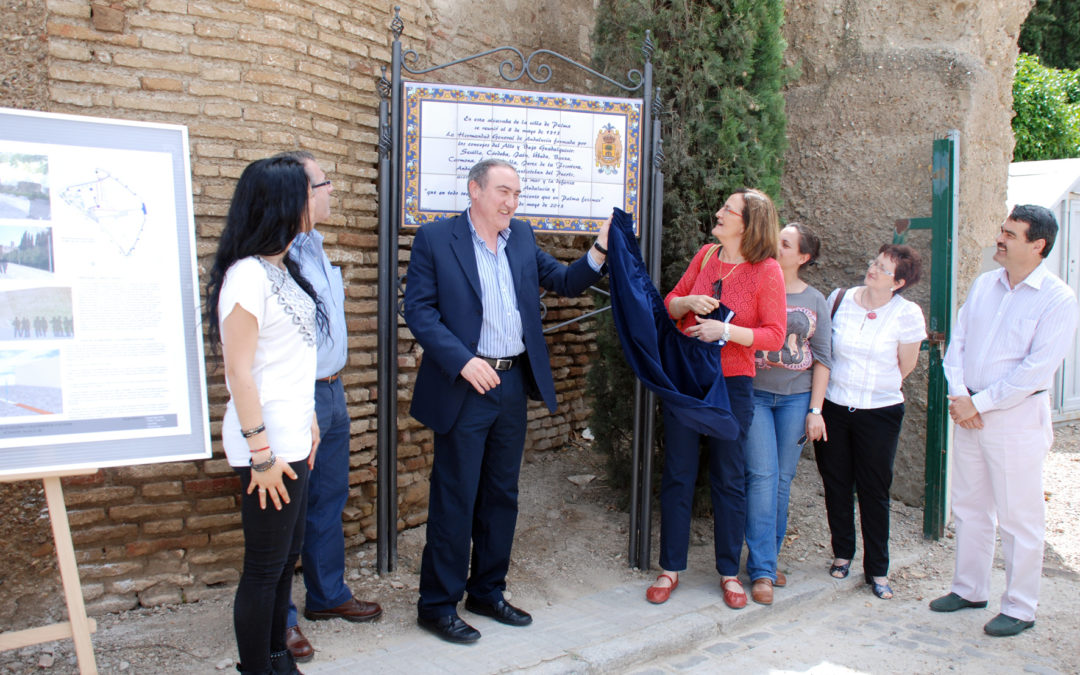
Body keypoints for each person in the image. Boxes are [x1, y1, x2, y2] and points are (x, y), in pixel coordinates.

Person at [403, 159, 609, 644]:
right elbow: (418, 309)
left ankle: (486, 591)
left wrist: (599, 251)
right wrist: (461, 360)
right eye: (502, 191)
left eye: (516, 193)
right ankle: (437, 605)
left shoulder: (520, 237)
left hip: (512, 385)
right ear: (474, 190)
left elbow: (562, 281)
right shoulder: (436, 240)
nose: (511, 202)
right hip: (465, 386)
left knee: (502, 495)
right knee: (455, 497)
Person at [931, 204, 1078, 637]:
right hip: (969, 409)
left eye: (1011, 234)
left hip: (1015, 418)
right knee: (970, 506)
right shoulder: (984, 285)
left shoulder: (1058, 299)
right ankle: (970, 588)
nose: (1000, 238)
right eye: (1002, 229)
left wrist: (982, 403)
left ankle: (1020, 606)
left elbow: (1036, 369)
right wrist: (960, 395)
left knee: (1019, 516)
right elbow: (957, 345)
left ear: (1038, 246)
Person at [206, 154, 327, 675]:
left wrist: (311, 422)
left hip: (292, 437)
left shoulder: (283, 266)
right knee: (263, 567)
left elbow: (288, 358)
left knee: (284, 562)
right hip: (266, 447)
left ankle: (279, 660)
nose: (322, 195)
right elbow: (240, 371)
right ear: (284, 202)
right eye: (313, 188)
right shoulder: (246, 277)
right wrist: (261, 455)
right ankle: (257, 669)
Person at [647, 188, 786, 609]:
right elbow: (669, 304)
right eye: (722, 205)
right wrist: (687, 301)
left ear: (749, 224)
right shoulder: (706, 256)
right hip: (689, 380)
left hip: (733, 385)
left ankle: (729, 572)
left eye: (729, 209)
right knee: (678, 474)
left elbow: (775, 335)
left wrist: (724, 331)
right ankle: (670, 568)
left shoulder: (767, 272)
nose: (720, 211)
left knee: (728, 479)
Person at [280, 152, 382, 664]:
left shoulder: (316, 246)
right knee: (289, 511)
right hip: (300, 393)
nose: (331, 191)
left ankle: (326, 596)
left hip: (333, 389)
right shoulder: (276, 254)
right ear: (300, 193)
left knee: (328, 497)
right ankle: (282, 621)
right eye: (324, 183)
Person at [814, 244, 925, 600]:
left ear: (899, 282)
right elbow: (827, 353)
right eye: (874, 262)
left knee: (875, 490)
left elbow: (905, 365)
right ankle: (843, 552)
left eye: (883, 268)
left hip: (880, 412)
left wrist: (875, 389)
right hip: (835, 406)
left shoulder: (907, 314)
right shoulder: (840, 299)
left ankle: (877, 568)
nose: (873, 269)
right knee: (836, 483)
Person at [742, 223, 832, 604]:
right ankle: (763, 570)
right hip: (757, 396)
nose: (777, 246)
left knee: (780, 481)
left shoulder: (816, 301)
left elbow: (824, 359)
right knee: (762, 477)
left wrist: (816, 410)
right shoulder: (757, 284)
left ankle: (765, 559)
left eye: (786, 243)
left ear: (803, 257)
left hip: (796, 401)